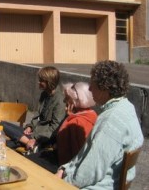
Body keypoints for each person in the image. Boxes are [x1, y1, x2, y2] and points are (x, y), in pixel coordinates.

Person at [56, 60, 144, 189]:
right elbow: (85, 154)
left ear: (105, 88)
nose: (90, 89)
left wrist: (61, 182)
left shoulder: (111, 120)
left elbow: (89, 172)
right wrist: (64, 169)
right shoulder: (126, 107)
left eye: (93, 84)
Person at [2, 66, 66, 151]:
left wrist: (36, 137)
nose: (38, 82)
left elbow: (55, 127)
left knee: (6, 143)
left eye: (41, 80)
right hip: (33, 132)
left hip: (44, 136)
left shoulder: (59, 100)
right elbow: (37, 116)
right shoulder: (44, 94)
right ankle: (29, 143)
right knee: (3, 124)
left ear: (49, 82)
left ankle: (30, 142)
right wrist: (30, 127)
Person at [56, 82, 97, 165]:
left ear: (75, 101)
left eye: (67, 98)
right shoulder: (93, 114)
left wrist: (68, 119)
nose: (64, 101)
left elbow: (75, 154)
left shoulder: (75, 122)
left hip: (65, 165)